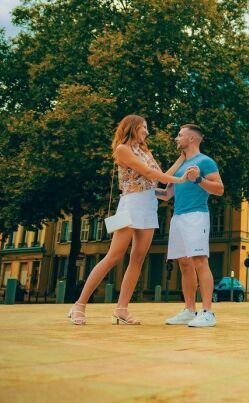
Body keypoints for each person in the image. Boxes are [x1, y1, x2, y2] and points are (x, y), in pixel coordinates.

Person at [68, 115, 197, 325]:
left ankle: (121, 310)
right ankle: (79, 305)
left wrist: (182, 160)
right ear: (133, 127)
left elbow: (160, 175)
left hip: (148, 205)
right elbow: (147, 172)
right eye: (144, 127)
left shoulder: (145, 151)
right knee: (113, 257)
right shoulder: (122, 149)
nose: (146, 131)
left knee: (137, 260)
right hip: (129, 204)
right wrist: (181, 179)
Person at [163, 124, 224, 327]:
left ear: (192, 139)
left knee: (199, 261)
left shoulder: (205, 161)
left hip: (196, 215)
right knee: (184, 264)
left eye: (180, 135)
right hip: (178, 217)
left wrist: (198, 179)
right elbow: (165, 195)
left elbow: (219, 189)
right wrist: (135, 191)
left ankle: (207, 312)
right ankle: (190, 310)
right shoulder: (181, 166)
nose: (176, 138)